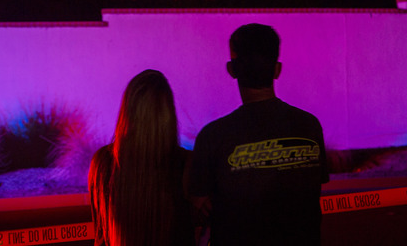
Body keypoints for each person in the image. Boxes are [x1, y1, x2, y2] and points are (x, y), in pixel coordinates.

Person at [188, 23, 329, 245]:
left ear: (231, 70)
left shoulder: (213, 137)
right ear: (277, 70)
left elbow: (198, 207)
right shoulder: (309, 126)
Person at [89, 69, 194, 246]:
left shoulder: (103, 162)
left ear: (128, 110)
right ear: (168, 114)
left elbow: (101, 236)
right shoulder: (186, 163)